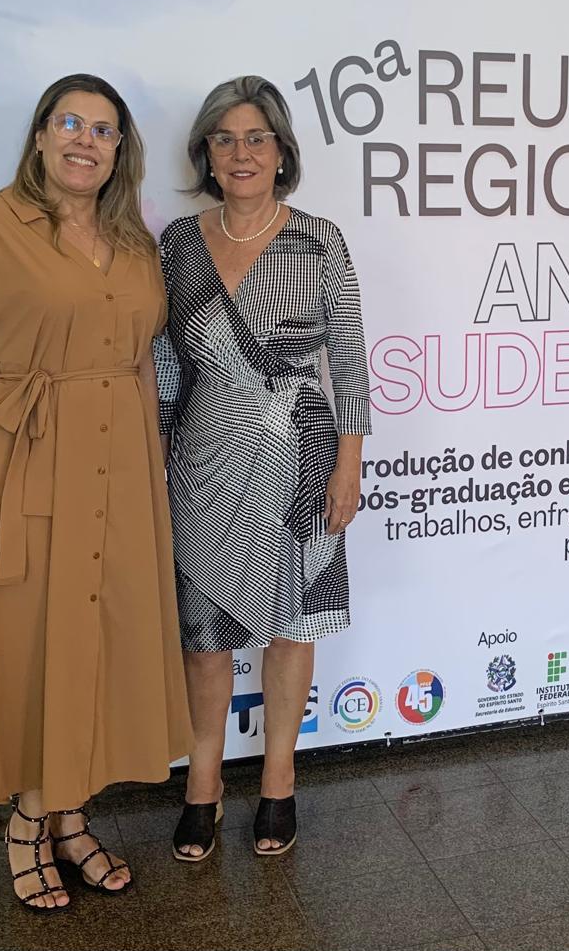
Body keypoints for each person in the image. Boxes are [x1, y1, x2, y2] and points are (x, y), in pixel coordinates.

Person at [0, 74, 192, 913]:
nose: (84, 141)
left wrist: (149, 463)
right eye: (69, 122)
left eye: (102, 129)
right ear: (39, 135)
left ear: (119, 151)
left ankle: (69, 812)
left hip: (120, 467)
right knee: (31, 643)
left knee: (99, 638)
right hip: (24, 463)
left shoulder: (133, 242)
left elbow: (138, 360)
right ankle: (29, 818)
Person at [156, 75, 370, 860]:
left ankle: (279, 780)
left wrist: (348, 463)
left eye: (255, 138)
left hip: (300, 461)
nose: (240, 153)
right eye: (224, 139)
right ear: (206, 154)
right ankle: (203, 784)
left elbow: (350, 361)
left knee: (290, 626)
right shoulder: (178, 244)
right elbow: (165, 363)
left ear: (281, 152)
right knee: (204, 636)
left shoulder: (319, 240)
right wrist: (155, 463)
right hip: (202, 462)